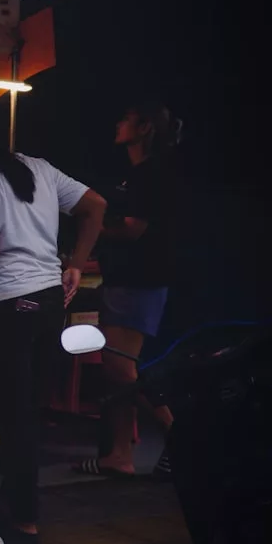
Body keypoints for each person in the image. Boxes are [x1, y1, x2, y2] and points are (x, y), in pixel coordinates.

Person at [0, 113, 106, 544]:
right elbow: (96, 206)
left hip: (8, 308)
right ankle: (10, 507)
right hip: (48, 304)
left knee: (13, 419)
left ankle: (25, 528)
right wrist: (75, 264)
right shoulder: (43, 169)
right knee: (26, 413)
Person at [73, 102, 182, 479]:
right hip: (127, 280)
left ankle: (180, 438)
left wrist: (94, 226)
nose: (118, 123)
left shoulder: (152, 174)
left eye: (126, 119)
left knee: (121, 368)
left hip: (140, 281)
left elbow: (133, 229)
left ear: (145, 127)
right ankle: (118, 455)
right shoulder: (137, 173)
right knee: (116, 369)